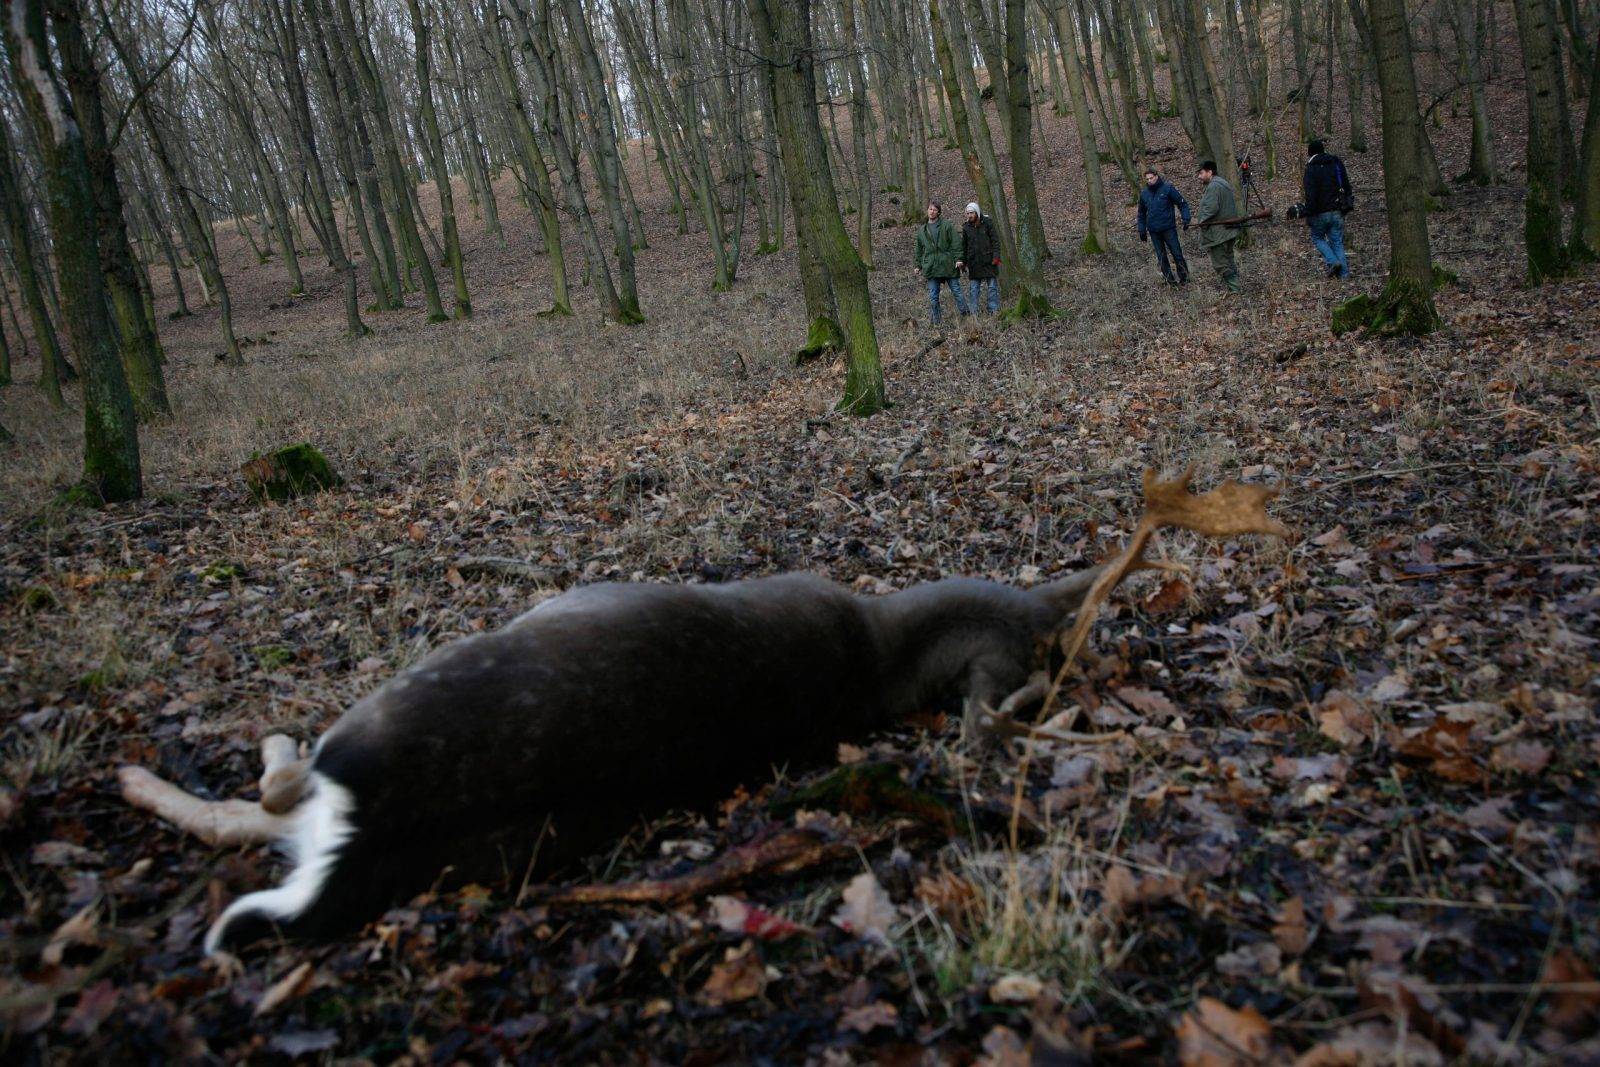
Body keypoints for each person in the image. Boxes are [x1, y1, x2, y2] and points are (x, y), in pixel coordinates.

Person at [1301, 139, 1350, 278]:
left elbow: (1311, 194)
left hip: (1319, 212)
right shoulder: (1335, 163)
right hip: (1337, 210)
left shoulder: (1311, 168)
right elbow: (1346, 185)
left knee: (1317, 237)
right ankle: (1344, 276)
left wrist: (1308, 213)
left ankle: (1333, 261)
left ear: (1310, 153)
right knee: (1337, 242)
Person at [914, 201, 968, 324]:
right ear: (927, 211)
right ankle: (936, 322)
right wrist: (918, 265)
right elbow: (918, 249)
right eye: (930, 209)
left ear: (938, 212)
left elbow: (956, 243)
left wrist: (959, 259)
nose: (932, 211)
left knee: (957, 292)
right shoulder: (922, 230)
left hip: (948, 264)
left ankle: (967, 315)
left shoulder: (946, 225)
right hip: (931, 267)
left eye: (934, 209)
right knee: (933, 297)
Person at [1193, 160, 1242, 293]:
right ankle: (1236, 286)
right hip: (1228, 230)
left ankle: (1235, 289)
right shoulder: (1222, 182)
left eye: (1201, 173)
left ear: (1210, 172)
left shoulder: (1214, 186)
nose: (1199, 176)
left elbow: (1211, 208)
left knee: (1220, 263)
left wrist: (1201, 222)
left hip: (1219, 233)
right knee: (1228, 258)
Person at [1136, 168, 1191, 285]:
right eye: (1147, 179)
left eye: (1151, 178)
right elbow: (1141, 213)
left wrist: (1186, 218)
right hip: (1154, 231)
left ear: (1156, 176)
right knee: (1161, 257)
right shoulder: (1144, 194)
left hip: (1168, 228)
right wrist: (1142, 230)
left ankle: (1185, 278)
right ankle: (1170, 281)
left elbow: (1182, 203)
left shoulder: (1167, 188)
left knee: (1177, 253)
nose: (1149, 181)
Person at [959, 202, 1001, 314]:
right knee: (973, 289)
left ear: (976, 212)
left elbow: (995, 241)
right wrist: (963, 262)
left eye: (971, 213)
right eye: (967, 213)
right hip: (974, 263)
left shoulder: (988, 223)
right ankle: (974, 312)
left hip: (989, 261)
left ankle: (993, 310)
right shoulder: (966, 227)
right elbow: (964, 246)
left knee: (992, 287)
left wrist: (996, 257)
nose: (969, 215)